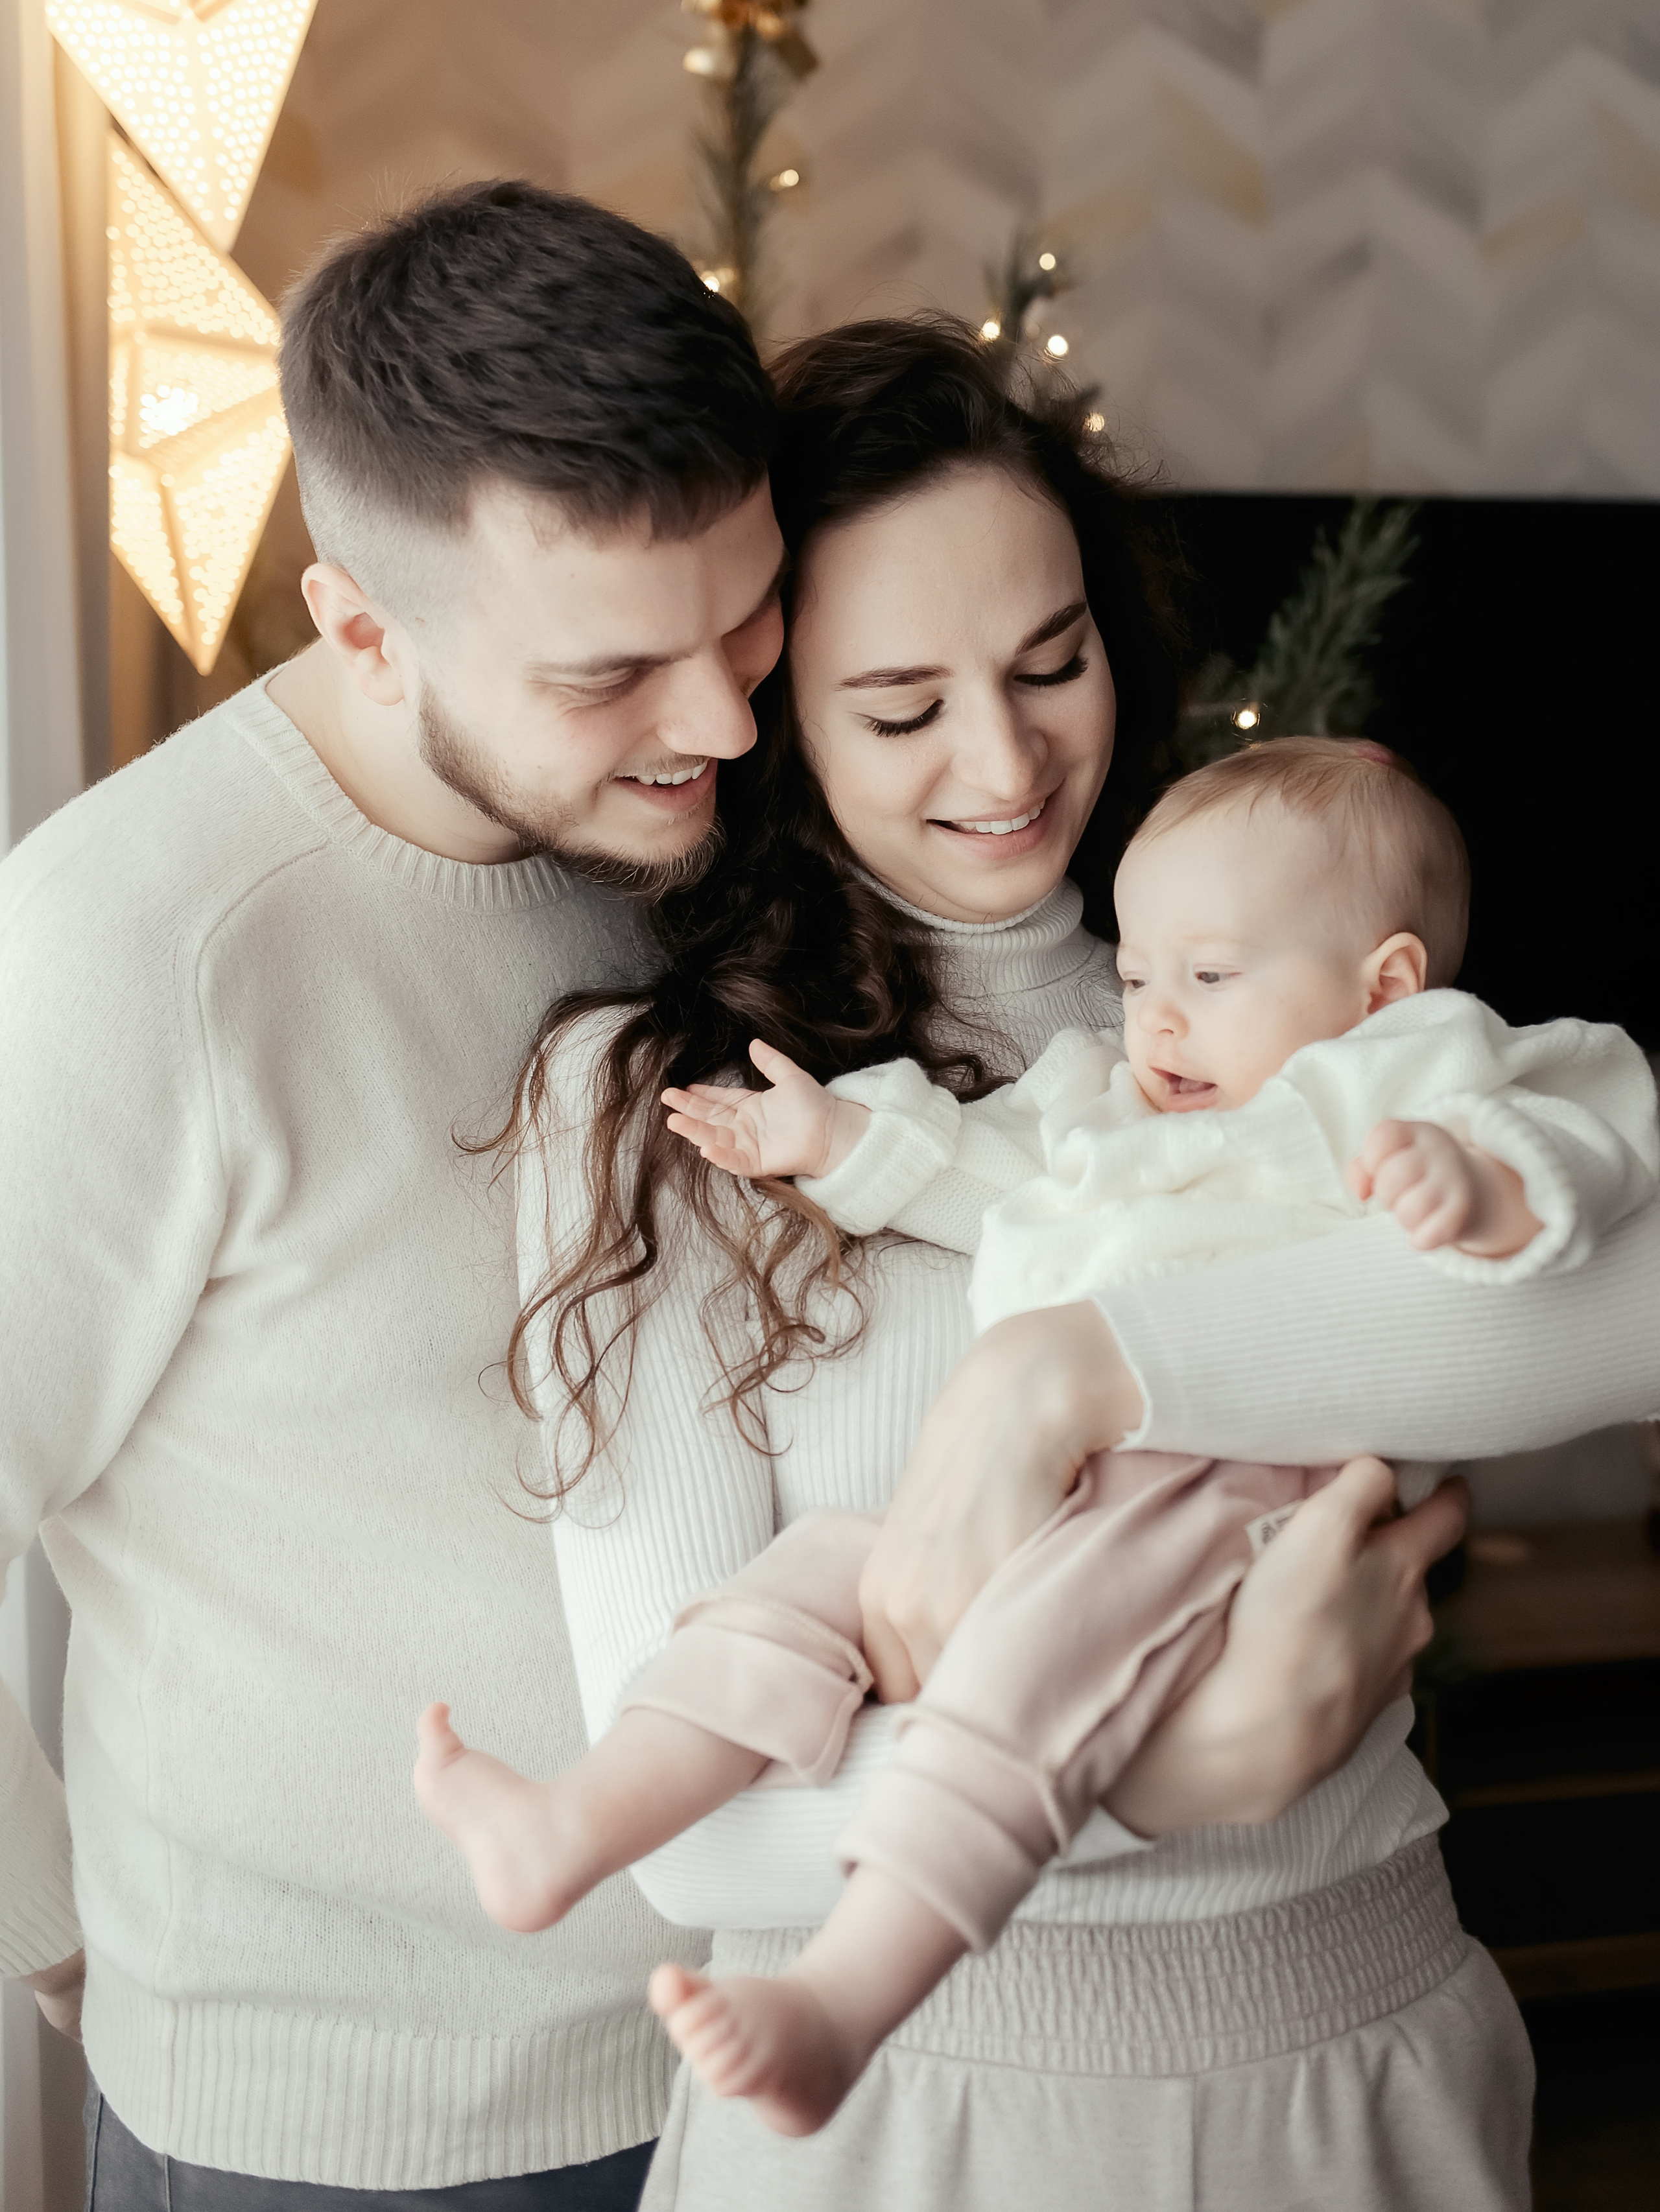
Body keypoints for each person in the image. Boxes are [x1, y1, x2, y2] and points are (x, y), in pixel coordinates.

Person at [0, 188, 1452, 2207]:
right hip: (365, 2117)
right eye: (617, 670)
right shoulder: (122, 952)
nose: (719, 721)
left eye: (751, 619)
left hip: (738, 2046)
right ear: (365, 629)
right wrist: (76, 1961)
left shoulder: (672, 845)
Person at [462, 322, 1660, 2210]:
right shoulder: (660, 1099)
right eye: (901, 707)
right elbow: (692, 1844)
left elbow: (1620, 1304)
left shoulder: (1265, 1003)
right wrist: (1188, 1771)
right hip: (897, 2113)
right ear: (770, 714)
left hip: (1348, 2051)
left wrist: (1080, 1366)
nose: (1009, 759)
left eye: (1050, 662)